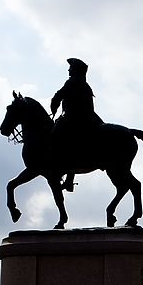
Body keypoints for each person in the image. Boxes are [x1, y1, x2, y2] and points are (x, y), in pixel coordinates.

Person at [50, 58, 104, 191]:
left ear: (75, 70)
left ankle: (61, 169)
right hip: (91, 118)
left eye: (71, 68)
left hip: (75, 118)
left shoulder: (72, 82)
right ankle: (69, 179)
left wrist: (53, 107)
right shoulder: (85, 85)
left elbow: (59, 95)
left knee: (54, 135)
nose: (69, 70)